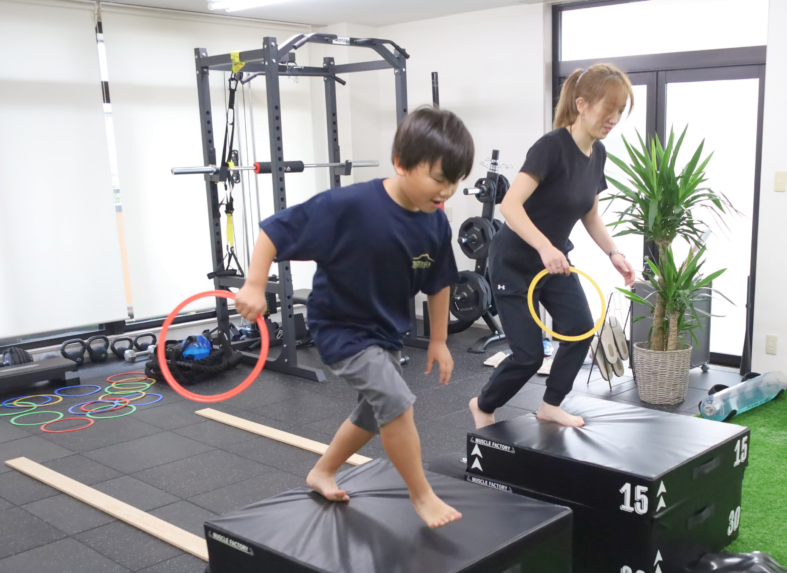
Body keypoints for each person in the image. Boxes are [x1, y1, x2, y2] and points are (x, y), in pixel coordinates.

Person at [235, 106, 473, 528]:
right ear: (401, 163)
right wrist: (254, 284)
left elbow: (439, 284)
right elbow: (275, 230)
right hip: (339, 327)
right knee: (396, 404)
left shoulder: (435, 224)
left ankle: (322, 471)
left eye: (456, 181)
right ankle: (422, 495)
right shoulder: (348, 206)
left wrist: (438, 340)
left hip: (385, 332)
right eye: (440, 179)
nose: (448, 191)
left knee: (372, 412)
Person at [469, 63, 636, 430]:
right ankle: (483, 404)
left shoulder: (598, 154)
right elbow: (510, 206)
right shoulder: (551, 147)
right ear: (582, 104)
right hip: (515, 261)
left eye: (620, 111)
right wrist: (545, 247)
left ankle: (550, 405)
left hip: (555, 262)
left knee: (580, 329)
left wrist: (614, 254)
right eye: (609, 109)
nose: (614, 118)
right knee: (528, 356)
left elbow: (590, 215)